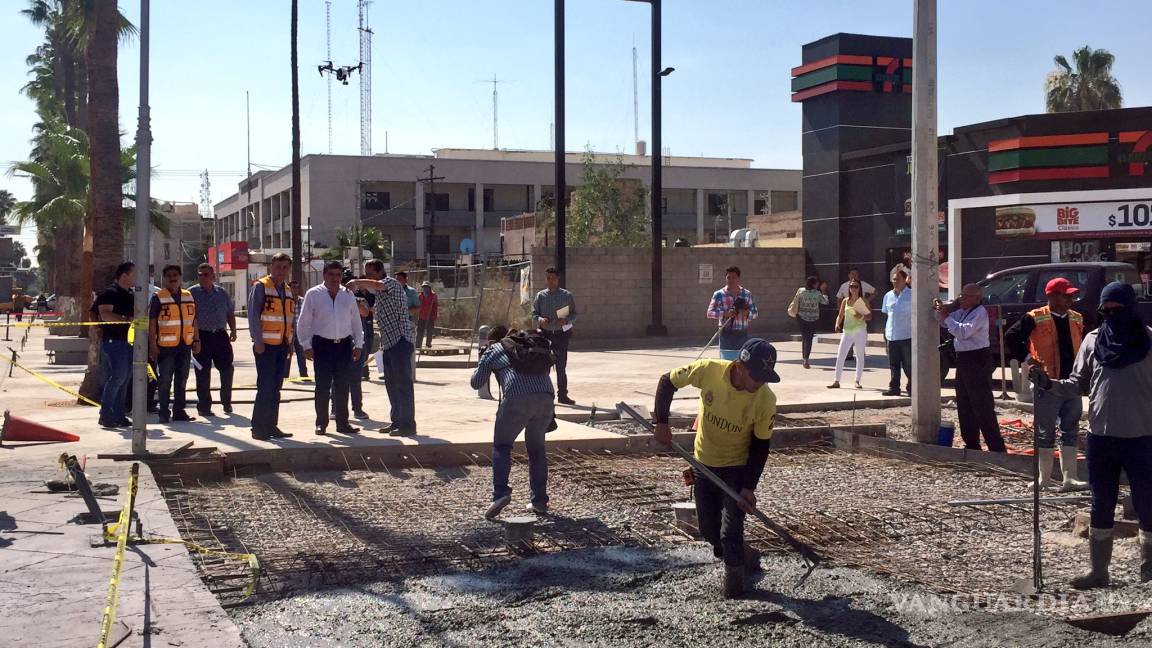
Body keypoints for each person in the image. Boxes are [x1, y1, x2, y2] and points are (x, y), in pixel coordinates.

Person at [1031, 282, 1152, 588]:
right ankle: (1099, 572)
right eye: (1106, 310)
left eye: (1117, 310)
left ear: (1130, 308)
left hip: (1142, 437)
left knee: (1147, 502)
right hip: (1101, 437)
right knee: (1101, 503)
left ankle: (1149, 569)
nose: (1111, 316)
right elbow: (1077, 384)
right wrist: (1047, 384)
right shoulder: (1092, 341)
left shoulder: (1148, 340)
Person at [652, 338, 779, 599]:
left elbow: (760, 446)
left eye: (764, 378)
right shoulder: (708, 370)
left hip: (737, 466)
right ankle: (746, 554)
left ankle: (735, 589)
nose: (759, 384)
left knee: (730, 530)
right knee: (709, 531)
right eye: (756, 377)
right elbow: (667, 382)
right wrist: (661, 422)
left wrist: (748, 488)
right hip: (704, 461)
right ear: (740, 367)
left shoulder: (765, 399)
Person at [1004, 277, 1088, 491]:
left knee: (1070, 429)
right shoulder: (1035, 317)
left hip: (1072, 383)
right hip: (1047, 383)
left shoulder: (1076, 318)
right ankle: (1044, 479)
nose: (1071, 299)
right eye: (1066, 295)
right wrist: (1028, 359)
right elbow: (1011, 336)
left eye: (1071, 295)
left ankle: (1070, 478)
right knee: (1045, 432)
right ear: (1052, 296)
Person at [473, 328, 556, 519]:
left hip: (517, 398)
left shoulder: (494, 350)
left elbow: (476, 383)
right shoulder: (530, 345)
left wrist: (482, 361)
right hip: (546, 397)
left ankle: (500, 494)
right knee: (536, 449)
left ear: (493, 340)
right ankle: (540, 501)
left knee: (502, 446)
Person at [935, 283, 1006, 452]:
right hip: (964, 359)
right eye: (961, 295)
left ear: (976, 298)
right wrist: (941, 310)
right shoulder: (962, 312)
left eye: (966, 296)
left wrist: (947, 317)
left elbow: (963, 332)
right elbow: (944, 322)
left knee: (982, 404)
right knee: (964, 403)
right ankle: (972, 443)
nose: (961, 299)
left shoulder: (979, 313)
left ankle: (996, 447)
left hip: (977, 359)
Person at [346, 270, 417, 436]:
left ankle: (407, 424)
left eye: (369, 273)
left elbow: (377, 285)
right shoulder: (379, 294)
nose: (367, 278)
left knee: (403, 386)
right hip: (389, 343)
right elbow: (368, 311)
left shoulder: (390, 283)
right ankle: (397, 421)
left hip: (400, 341)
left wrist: (357, 282)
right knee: (391, 386)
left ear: (378, 273)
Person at [297, 261, 364, 436]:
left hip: (343, 346)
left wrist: (359, 344)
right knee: (322, 387)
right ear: (324, 275)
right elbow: (303, 322)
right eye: (331, 274)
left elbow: (356, 321)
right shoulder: (313, 294)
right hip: (322, 346)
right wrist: (306, 345)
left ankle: (343, 423)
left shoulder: (348, 295)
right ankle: (321, 423)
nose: (335, 278)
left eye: (338, 275)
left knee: (343, 386)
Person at [248, 252, 296, 440]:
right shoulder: (261, 287)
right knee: (265, 387)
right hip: (265, 346)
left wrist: (290, 343)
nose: (281, 271)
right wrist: (257, 341)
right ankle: (258, 428)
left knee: (276, 388)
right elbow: (253, 316)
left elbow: (290, 320)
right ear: (271, 267)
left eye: (285, 267)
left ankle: (271, 425)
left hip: (282, 346)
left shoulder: (288, 290)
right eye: (278, 267)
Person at [149, 264, 200, 424]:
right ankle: (164, 413)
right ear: (164, 279)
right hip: (165, 347)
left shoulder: (188, 295)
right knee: (165, 381)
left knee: (182, 380)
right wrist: (152, 344)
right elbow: (152, 323)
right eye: (169, 275)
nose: (172, 278)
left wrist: (197, 340)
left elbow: (194, 320)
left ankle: (179, 412)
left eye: (175, 275)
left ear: (180, 278)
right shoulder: (158, 297)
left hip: (185, 345)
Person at [189, 263, 237, 417]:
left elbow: (229, 312)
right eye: (199, 274)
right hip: (201, 336)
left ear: (213, 276)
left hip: (220, 336)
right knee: (202, 372)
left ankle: (227, 402)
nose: (202, 277)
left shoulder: (222, 293)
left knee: (227, 369)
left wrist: (233, 330)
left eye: (205, 274)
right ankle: (204, 406)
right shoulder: (192, 293)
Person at [93, 262, 136, 428]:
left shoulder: (130, 294)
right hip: (114, 341)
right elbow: (104, 315)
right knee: (118, 377)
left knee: (124, 379)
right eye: (134, 273)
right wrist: (126, 319)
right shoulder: (109, 293)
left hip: (128, 341)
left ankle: (119, 415)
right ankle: (105, 414)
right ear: (124, 276)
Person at [532, 267, 577, 405]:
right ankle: (544, 395)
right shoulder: (540, 296)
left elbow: (574, 314)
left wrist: (567, 320)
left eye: (553, 278)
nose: (550, 281)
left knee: (561, 367)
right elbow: (534, 314)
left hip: (561, 335)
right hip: (545, 335)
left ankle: (562, 395)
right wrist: (541, 320)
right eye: (548, 278)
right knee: (544, 367)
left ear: (558, 279)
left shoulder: (566, 296)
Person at [706, 265, 759, 361]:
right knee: (726, 363)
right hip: (726, 333)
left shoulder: (747, 294)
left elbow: (755, 313)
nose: (730, 280)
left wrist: (746, 313)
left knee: (741, 363)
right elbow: (710, 313)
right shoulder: (718, 294)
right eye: (728, 277)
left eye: (733, 277)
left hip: (742, 334)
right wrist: (725, 314)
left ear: (738, 279)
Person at [348, 261, 378, 419]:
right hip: (338, 344)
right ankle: (334, 409)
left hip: (358, 340)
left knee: (355, 377)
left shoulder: (359, 300)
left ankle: (357, 408)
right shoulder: (331, 299)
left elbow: (366, 313)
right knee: (336, 379)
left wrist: (352, 300)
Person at [828, 281, 871, 389]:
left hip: (860, 330)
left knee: (860, 356)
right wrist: (837, 324)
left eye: (855, 286)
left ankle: (857, 380)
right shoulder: (845, 301)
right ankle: (836, 381)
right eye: (851, 286)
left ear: (859, 288)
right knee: (840, 355)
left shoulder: (863, 300)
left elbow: (869, 316)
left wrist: (860, 316)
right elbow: (840, 315)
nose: (853, 288)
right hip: (847, 331)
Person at [881, 270, 913, 396]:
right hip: (891, 335)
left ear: (905, 280)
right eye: (893, 279)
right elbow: (886, 314)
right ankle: (894, 387)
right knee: (893, 364)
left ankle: (912, 387)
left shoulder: (911, 295)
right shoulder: (888, 295)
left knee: (908, 364)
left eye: (897, 279)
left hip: (906, 335)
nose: (895, 282)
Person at [789, 276, 827, 369]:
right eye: (817, 283)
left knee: (805, 337)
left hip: (801, 317)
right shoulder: (817, 293)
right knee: (808, 338)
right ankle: (806, 359)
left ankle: (804, 358)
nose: (818, 285)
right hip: (813, 319)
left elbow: (796, 301)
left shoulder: (801, 291)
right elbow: (825, 302)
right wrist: (824, 291)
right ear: (814, 284)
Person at [288, 279, 309, 379]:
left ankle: (304, 374)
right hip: (289, 332)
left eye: (297, 287)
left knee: (301, 354)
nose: (296, 289)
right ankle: (284, 375)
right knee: (288, 353)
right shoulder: (286, 300)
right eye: (293, 287)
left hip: (300, 332)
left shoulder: (303, 301)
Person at [417, 281, 438, 348]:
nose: (425, 289)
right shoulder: (420, 296)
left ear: (429, 288)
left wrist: (434, 316)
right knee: (420, 331)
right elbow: (418, 306)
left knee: (429, 331)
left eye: (426, 287)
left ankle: (428, 344)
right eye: (424, 287)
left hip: (430, 317)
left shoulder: (434, 295)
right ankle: (418, 344)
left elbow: (435, 307)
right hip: (421, 316)